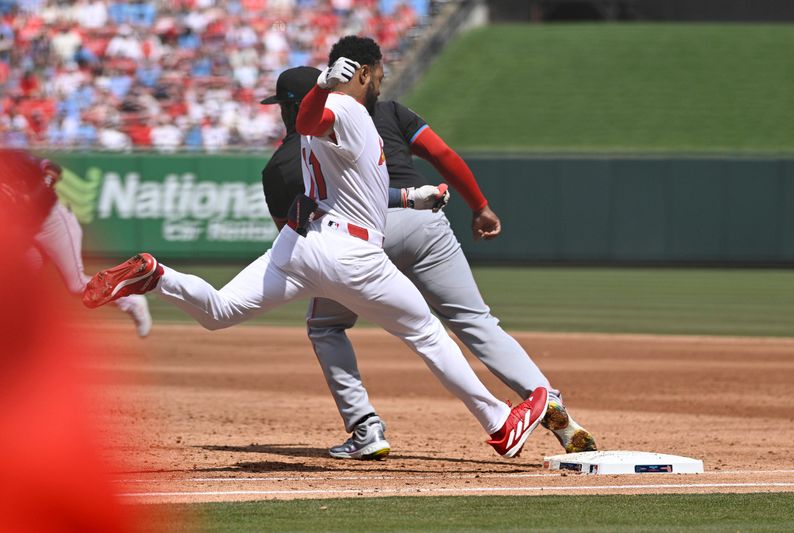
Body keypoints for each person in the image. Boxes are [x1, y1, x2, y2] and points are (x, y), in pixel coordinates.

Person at [82, 36, 548, 459]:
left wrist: (412, 197)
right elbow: (311, 118)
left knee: (219, 311)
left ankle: (157, 276)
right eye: (379, 74)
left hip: (302, 245)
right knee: (426, 333)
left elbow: (352, 180)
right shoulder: (345, 110)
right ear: (363, 73)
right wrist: (324, 87)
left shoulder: (351, 121)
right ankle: (500, 423)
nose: (382, 82)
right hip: (351, 252)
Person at [260, 67, 597, 459]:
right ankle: (546, 397)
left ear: (288, 109)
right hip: (424, 219)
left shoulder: (281, 165)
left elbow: (295, 241)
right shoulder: (385, 113)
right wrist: (480, 207)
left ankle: (366, 428)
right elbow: (442, 154)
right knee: (476, 319)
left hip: (358, 240)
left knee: (325, 326)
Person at [0, 149, 151, 337]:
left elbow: (52, 169)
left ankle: (132, 302)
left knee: (77, 284)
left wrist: (35, 197)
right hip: (27, 233)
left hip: (53, 222)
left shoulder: (11, 158)